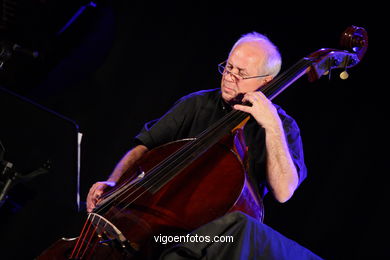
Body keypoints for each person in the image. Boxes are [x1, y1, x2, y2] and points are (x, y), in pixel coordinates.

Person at [86, 32, 321, 259]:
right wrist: (115, 182)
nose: (229, 77)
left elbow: (283, 192)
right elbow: (145, 147)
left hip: (214, 242)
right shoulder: (197, 104)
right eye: (228, 67)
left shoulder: (282, 127)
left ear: (266, 81)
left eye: (241, 73)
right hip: (158, 227)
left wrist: (271, 125)